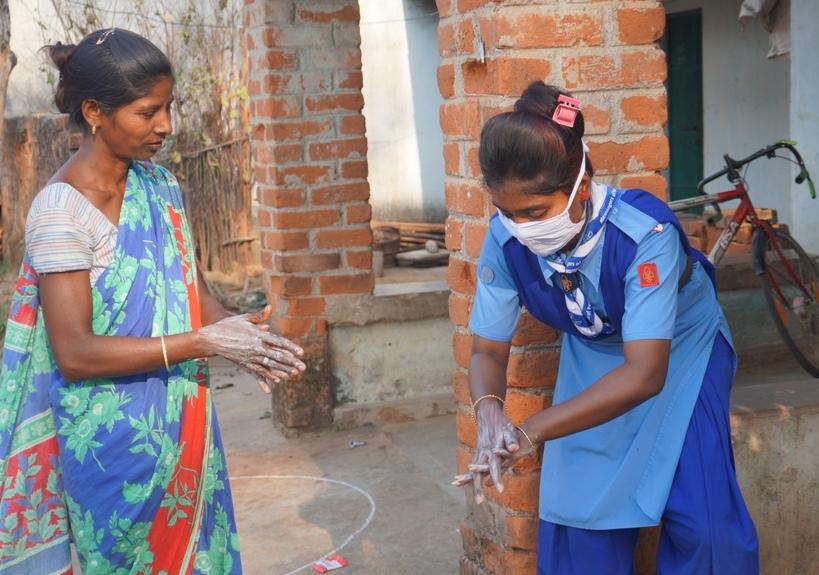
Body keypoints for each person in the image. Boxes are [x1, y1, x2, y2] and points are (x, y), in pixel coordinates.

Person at [0, 28, 306, 574]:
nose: (166, 125)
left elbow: (196, 296)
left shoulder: (160, 187)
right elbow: (75, 352)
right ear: (95, 111)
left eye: (169, 108)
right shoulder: (59, 213)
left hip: (184, 429)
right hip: (110, 448)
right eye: (148, 112)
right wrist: (202, 341)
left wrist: (245, 337)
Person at [453, 82, 760, 574]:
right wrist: (490, 411)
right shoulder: (505, 239)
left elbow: (644, 375)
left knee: (703, 521)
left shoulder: (644, 234)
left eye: (535, 213)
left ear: (582, 184)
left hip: (681, 350)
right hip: (594, 355)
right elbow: (488, 350)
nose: (522, 227)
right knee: (579, 510)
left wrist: (530, 432)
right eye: (508, 213)